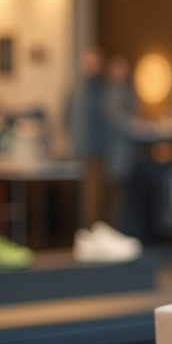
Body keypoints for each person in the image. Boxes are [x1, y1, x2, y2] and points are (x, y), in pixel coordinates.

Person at [65, 46, 108, 227]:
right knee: (84, 196)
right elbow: (66, 116)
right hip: (81, 149)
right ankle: (86, 231)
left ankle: (91, 230)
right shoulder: (77, 88)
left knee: (95, 196)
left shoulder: (102, 87)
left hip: (97, 149)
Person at [101, 55, 138, 230]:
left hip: (125, 153)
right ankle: (114, 230)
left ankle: (121, 229)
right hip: (114, 152)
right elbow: (118, 119)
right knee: (115, 196)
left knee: (123, 196)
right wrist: (135, 124)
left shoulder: (127, 91)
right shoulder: (111, 93)